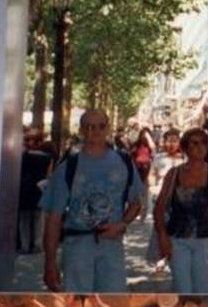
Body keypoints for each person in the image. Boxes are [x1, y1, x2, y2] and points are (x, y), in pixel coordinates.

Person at [41, 109, 144, 292]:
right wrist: (50, 263)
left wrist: (123, 223)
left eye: (100, 126)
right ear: (81, 130)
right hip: (77, 248)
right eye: (88, 126)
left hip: (112, 247)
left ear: (108, 128)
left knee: (113, 302)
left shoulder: (124, 162)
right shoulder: (67, 167)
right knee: (78, 302)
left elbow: (136, 203)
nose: (94, 131)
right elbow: (53, 217)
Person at [154, 128, 208, 294]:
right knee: (182, 289)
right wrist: (162, 235)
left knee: (202, 289)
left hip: (205, 239)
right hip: (177, 240)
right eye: (195, 143)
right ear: (185, 147)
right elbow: (159, 207)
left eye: (204, 143)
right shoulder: (174, 174)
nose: (200, 147)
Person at [17, 128, 53, 255]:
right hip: (39, 190)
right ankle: (38, 245)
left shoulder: (22, 156)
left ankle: (25, 246)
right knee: (39, 219)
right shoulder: (48, 157)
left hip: (24, 190)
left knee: (24, 220)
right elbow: (49, 175)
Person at [131, 127, 156, 218]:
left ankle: (143, 211)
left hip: (146, 169)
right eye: (142, 135)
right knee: (138, 190)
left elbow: (153, 148)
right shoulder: (136, 145)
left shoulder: (148, 146)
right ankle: (137, 210)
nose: (144, 137)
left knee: (144, 190)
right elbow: (131, 154)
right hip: (138, 169)